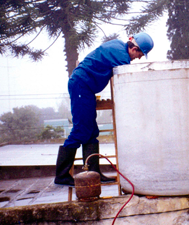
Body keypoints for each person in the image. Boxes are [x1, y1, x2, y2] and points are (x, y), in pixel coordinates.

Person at [54, 32, 154, 186]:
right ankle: (61, 176)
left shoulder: (117, 45)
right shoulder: (121, 56)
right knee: (81, 130)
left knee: (91, 132)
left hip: (85, 87)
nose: (138, 58)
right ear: (134, 48)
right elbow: (127, 80)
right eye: (140, 55)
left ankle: (94, 174)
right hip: (81, 85)